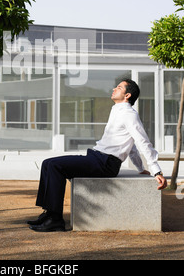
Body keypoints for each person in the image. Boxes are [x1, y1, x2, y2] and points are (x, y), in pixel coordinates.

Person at [28, 79, 167, 232]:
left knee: (55, 166)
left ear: (127, 95)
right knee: (47, 163)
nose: (114, 89)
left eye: (119, 87)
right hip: (97, 157)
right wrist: (140, 167)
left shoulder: (129, 114)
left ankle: (55, 220)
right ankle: (48, 214)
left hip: (105, 163)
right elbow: (131, 145)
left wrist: (156, 170)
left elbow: (142, 141)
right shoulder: (117, 109)